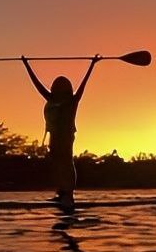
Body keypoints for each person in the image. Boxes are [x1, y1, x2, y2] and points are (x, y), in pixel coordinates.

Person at [22, 55, 101, 207]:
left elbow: (83, 83)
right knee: (57, 164)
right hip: (54, 136)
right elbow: (36, 83)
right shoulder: (51, 99)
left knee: (66, 162)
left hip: (66, 136)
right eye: (57, 85)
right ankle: (61, 192)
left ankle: (69, 194)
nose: (58, 88)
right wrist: (26, 64)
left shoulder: (73, 100)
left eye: (61, 86)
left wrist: (92, 64)